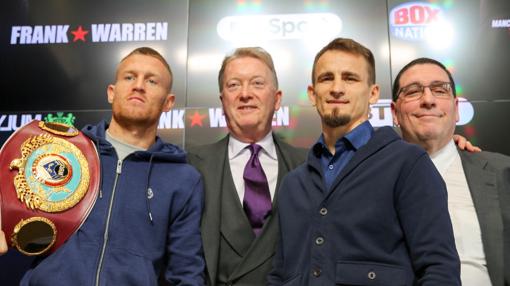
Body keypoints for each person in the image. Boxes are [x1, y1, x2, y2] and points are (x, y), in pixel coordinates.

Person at [268, 38, 460, 285]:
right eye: (327, 78)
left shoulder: (408, 164)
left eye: (350, 78)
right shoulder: (293, 184)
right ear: (312, 94)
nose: (337, 88)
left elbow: (439, 270)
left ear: (373, 94)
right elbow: (279, 276)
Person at [18, 47, 205, 285]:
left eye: (151, 80)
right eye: (129, 77)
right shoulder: (67, 152)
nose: (138, 85)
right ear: (111, 92)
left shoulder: (183, 178)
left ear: (168, 102)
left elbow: (186, 271)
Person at [187, 47, 306, 286]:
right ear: (223, 101)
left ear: (277, 98)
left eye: (257, 83)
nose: (245, 94)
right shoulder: (190, 166)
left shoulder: (308, 166)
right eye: (233, 85)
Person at [391, 57, 510, 286]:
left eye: (439, 90)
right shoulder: (370, 178)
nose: (428, 100)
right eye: (414, 91)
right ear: (395, 112)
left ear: (456, 109)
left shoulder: (502, 173)